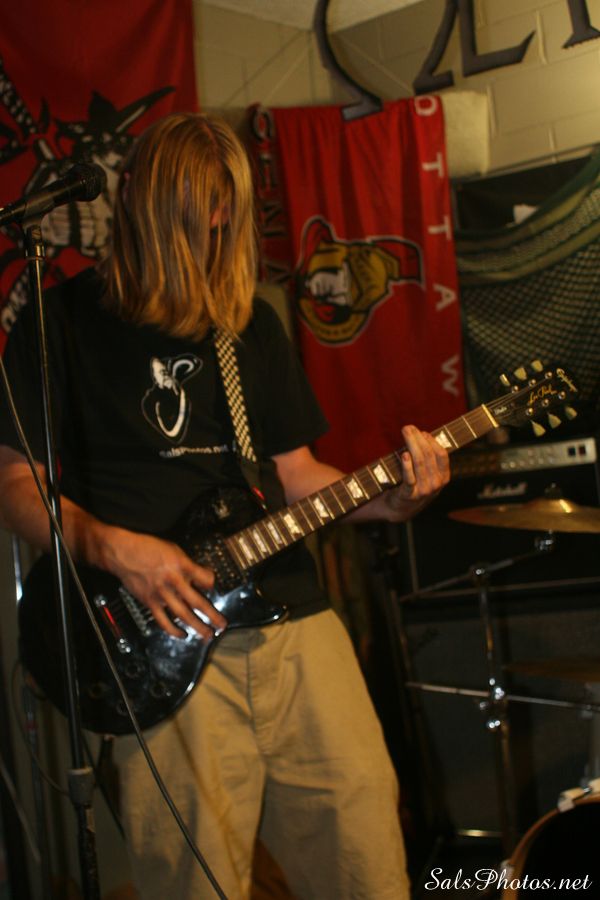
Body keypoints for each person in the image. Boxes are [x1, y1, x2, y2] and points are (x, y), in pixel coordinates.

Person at [0, 112, 449, 899]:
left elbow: (297, 474)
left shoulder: (249, 326)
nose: (212, 223)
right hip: (157, 634)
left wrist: (392, 502)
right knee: (194, 882)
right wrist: (107, 545)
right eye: (198, 204)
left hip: (294, 622)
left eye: (222, 207)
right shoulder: (57, 322)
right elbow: (13, 484)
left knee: (368, 859)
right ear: (138, 197)